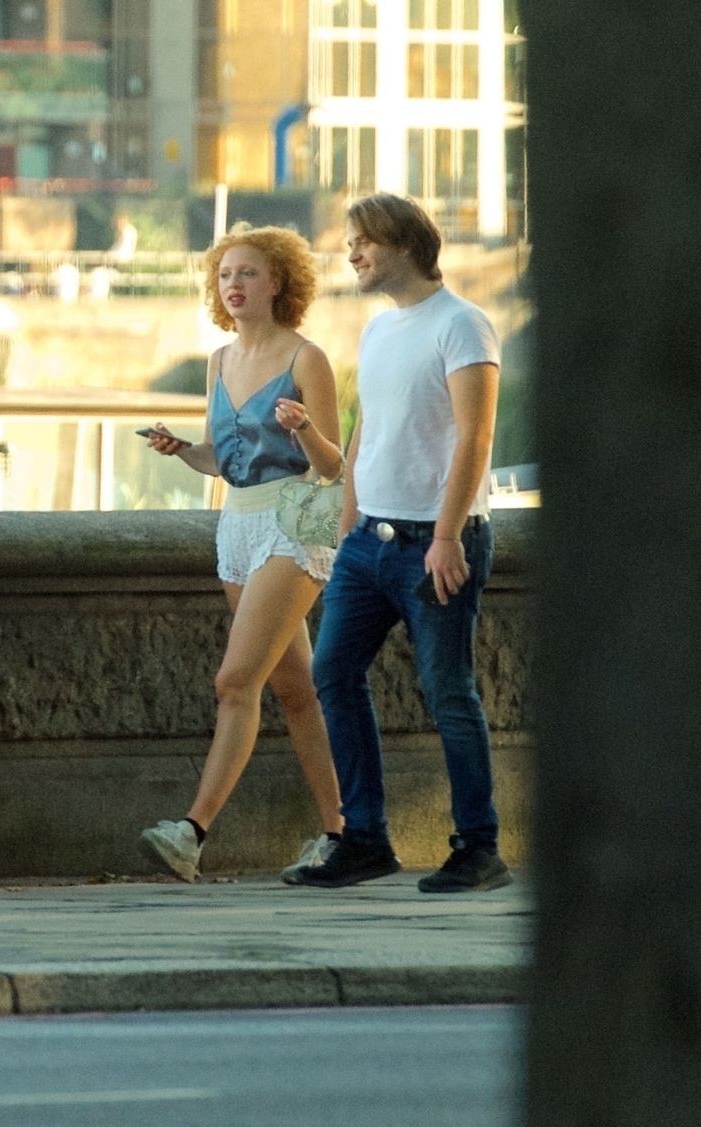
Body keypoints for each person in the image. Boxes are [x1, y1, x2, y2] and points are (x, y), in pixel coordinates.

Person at [285, 193, 510, 894]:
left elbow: (475, 437)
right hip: (368, 542)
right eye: (350, 241)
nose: (351, 253)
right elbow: (366, 431)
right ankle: (365, 839)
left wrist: (447, 535)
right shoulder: (380, 330)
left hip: (432, 544)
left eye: (364, 241)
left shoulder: (462, 325)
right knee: (332, 673)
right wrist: (347, 524)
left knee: (448, 692)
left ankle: (478, 847)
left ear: (406, 245)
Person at [136, 223, 347, 882]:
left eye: (248, 272)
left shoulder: (306, 358)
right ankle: (344, 831)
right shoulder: (219, 361)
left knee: (234, 682)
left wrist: (303, 427)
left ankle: (191, 831)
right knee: (295, 691)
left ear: (278, 281)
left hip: (293, 521)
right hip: (238, 523)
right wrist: (182, 450)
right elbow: (221, 459)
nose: (234, 284)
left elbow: (334, 466)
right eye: (226, 274)